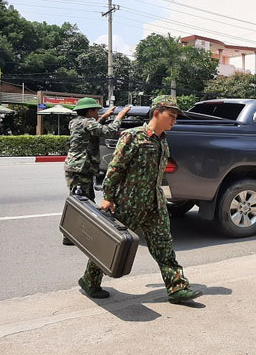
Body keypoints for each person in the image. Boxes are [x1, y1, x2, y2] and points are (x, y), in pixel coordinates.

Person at [78, 95, 202, 304]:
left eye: (175, 117)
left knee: (164, 246)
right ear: (156, 113)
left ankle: (177, 288)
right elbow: (116, 167)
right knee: (111, 244)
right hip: (129, 203)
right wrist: (108, 196)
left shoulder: (162, 140)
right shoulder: (132, 137)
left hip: (154, 203)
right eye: (171, 115)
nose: (174, 120)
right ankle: (89, 281)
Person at [63, 98, 131, 245]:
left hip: (75, 167)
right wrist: (119, 117)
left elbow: (92, 128)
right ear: (89, 111)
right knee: (83, 204)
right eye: (96, 111)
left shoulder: (75, 122)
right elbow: (109, 132)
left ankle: (71, 236)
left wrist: (104, 117)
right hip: (81, 168)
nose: (97, 113)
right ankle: (70, 236)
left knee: (80, 202)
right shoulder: (87, 122)